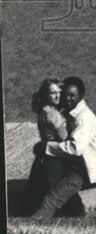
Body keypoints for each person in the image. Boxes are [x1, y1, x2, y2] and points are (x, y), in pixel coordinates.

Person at [31, 76, 96, 219]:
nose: (67, 98)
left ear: (81, 96)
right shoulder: (71, 111)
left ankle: (39, 217)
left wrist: (46, 147)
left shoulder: (84, 117)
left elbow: (76, 148)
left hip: (86, 164)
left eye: (72, 95)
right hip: (77, 161)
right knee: (64, 188)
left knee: (60, 191)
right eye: (65, 95)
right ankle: (76, 215)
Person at [27, 78, 69, 212]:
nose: (58, 96)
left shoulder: (43, 111)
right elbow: (65, 138)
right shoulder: (53, 115)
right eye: (53, 93)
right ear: (45, 95)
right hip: (55, 160)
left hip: (44, 158)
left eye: (59, 92)